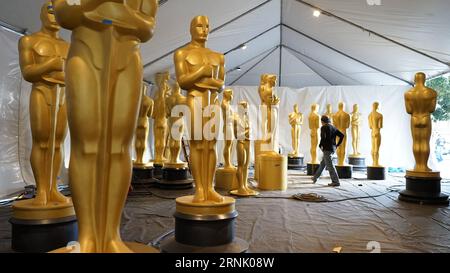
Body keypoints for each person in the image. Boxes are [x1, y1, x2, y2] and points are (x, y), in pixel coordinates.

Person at [312, 115, 344, 186]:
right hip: (332, 148)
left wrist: (320, 145)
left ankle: (336, 181)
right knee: (323, 164)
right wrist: (337, 145)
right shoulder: (333, 127)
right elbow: (342, 135)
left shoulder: (324, 127)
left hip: (327, 149)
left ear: (322, 121)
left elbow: (323, 138)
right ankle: (315, 177)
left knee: (330, 166)